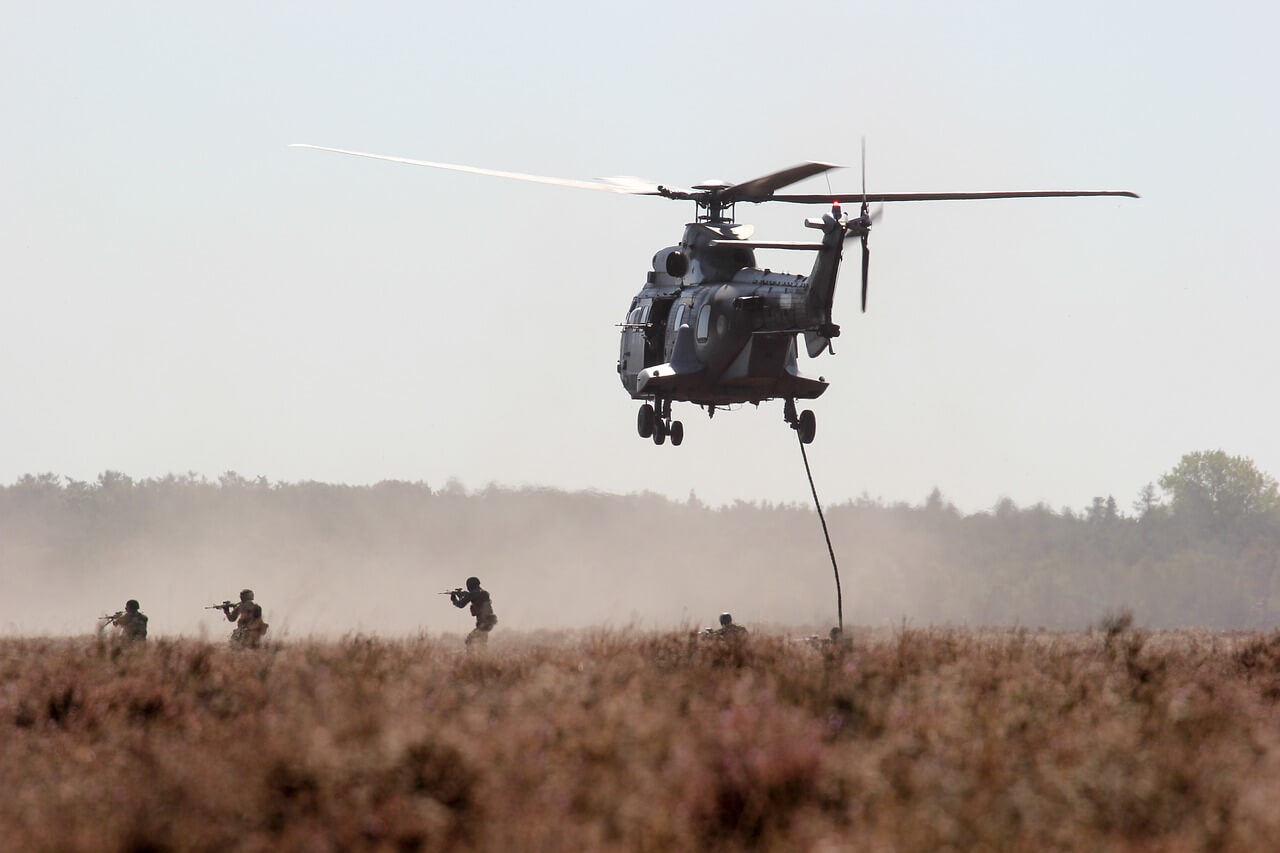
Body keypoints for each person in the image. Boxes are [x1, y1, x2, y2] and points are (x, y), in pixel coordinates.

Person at [450, 576, 498, 649]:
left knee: (469, 640)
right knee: (482, 641)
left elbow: (460, 604)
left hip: (483, 623)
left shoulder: (472, 594)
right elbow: (476, 598)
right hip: (489, 622)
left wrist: (454, 599)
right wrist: (464, 595)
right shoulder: (485, 593)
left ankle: (475, 655)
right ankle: (483, 655)